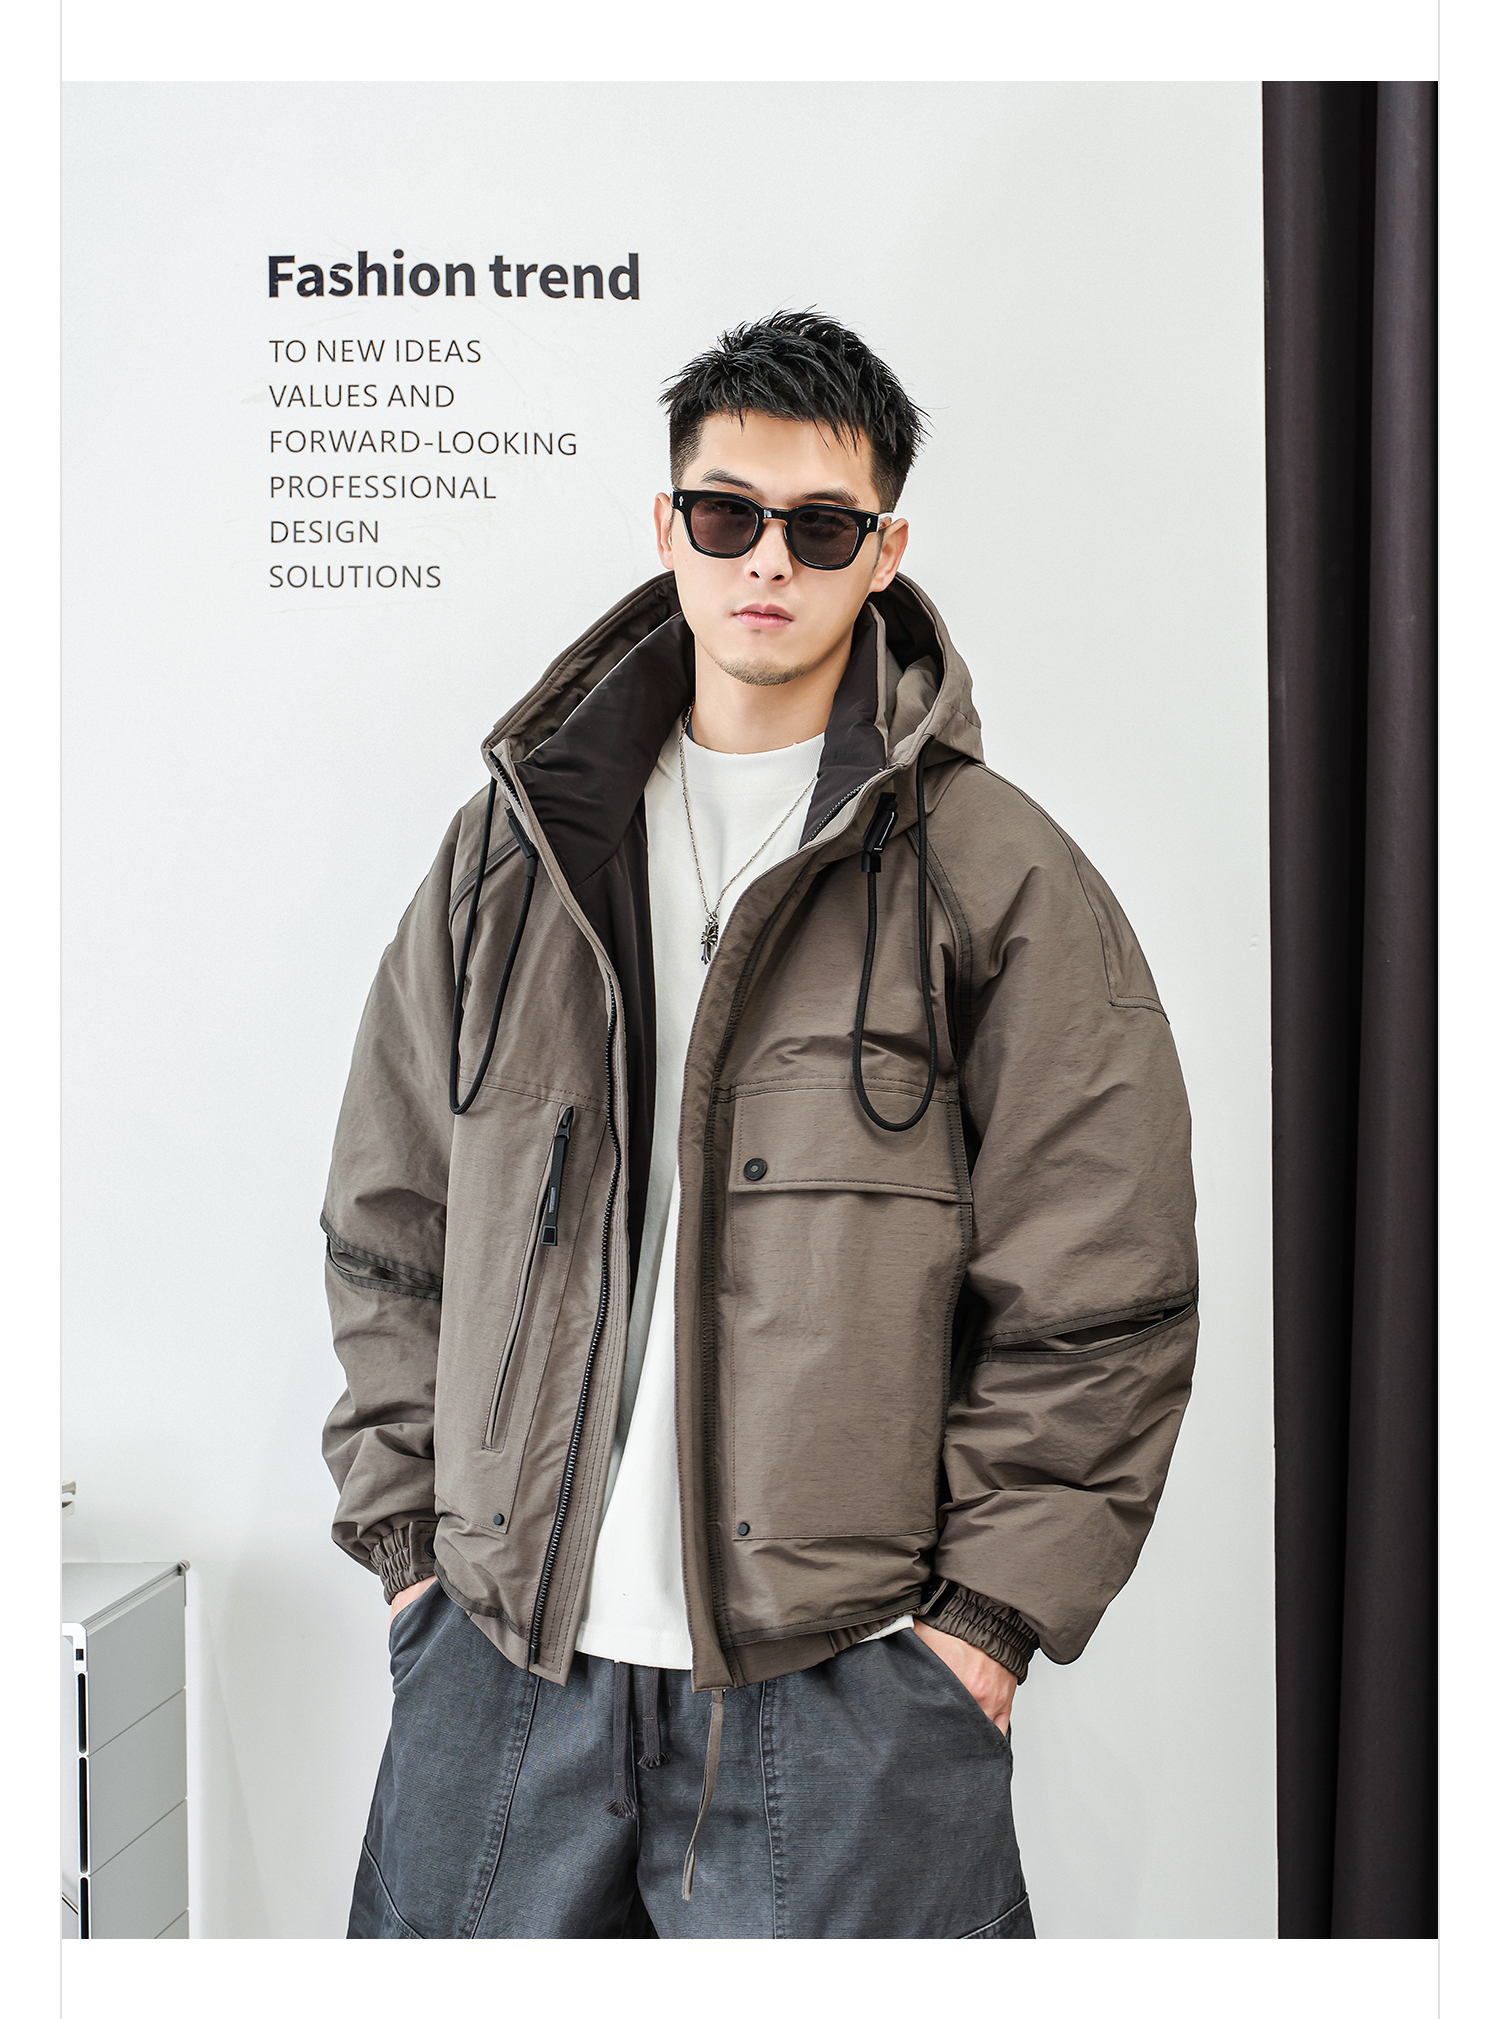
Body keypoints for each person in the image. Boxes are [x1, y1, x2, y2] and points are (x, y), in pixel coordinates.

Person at [321, 309, 1199, 1940]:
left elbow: (1104, 1291)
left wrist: (984, 1626)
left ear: (886, 552)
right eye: (727, 514)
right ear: (669, 525)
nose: (767, 561)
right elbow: (392, 1225)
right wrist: (411, 1557)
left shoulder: (996, 875)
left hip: (845, 1695)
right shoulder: (512, 857)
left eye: (822, 526)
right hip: (502, 1668)